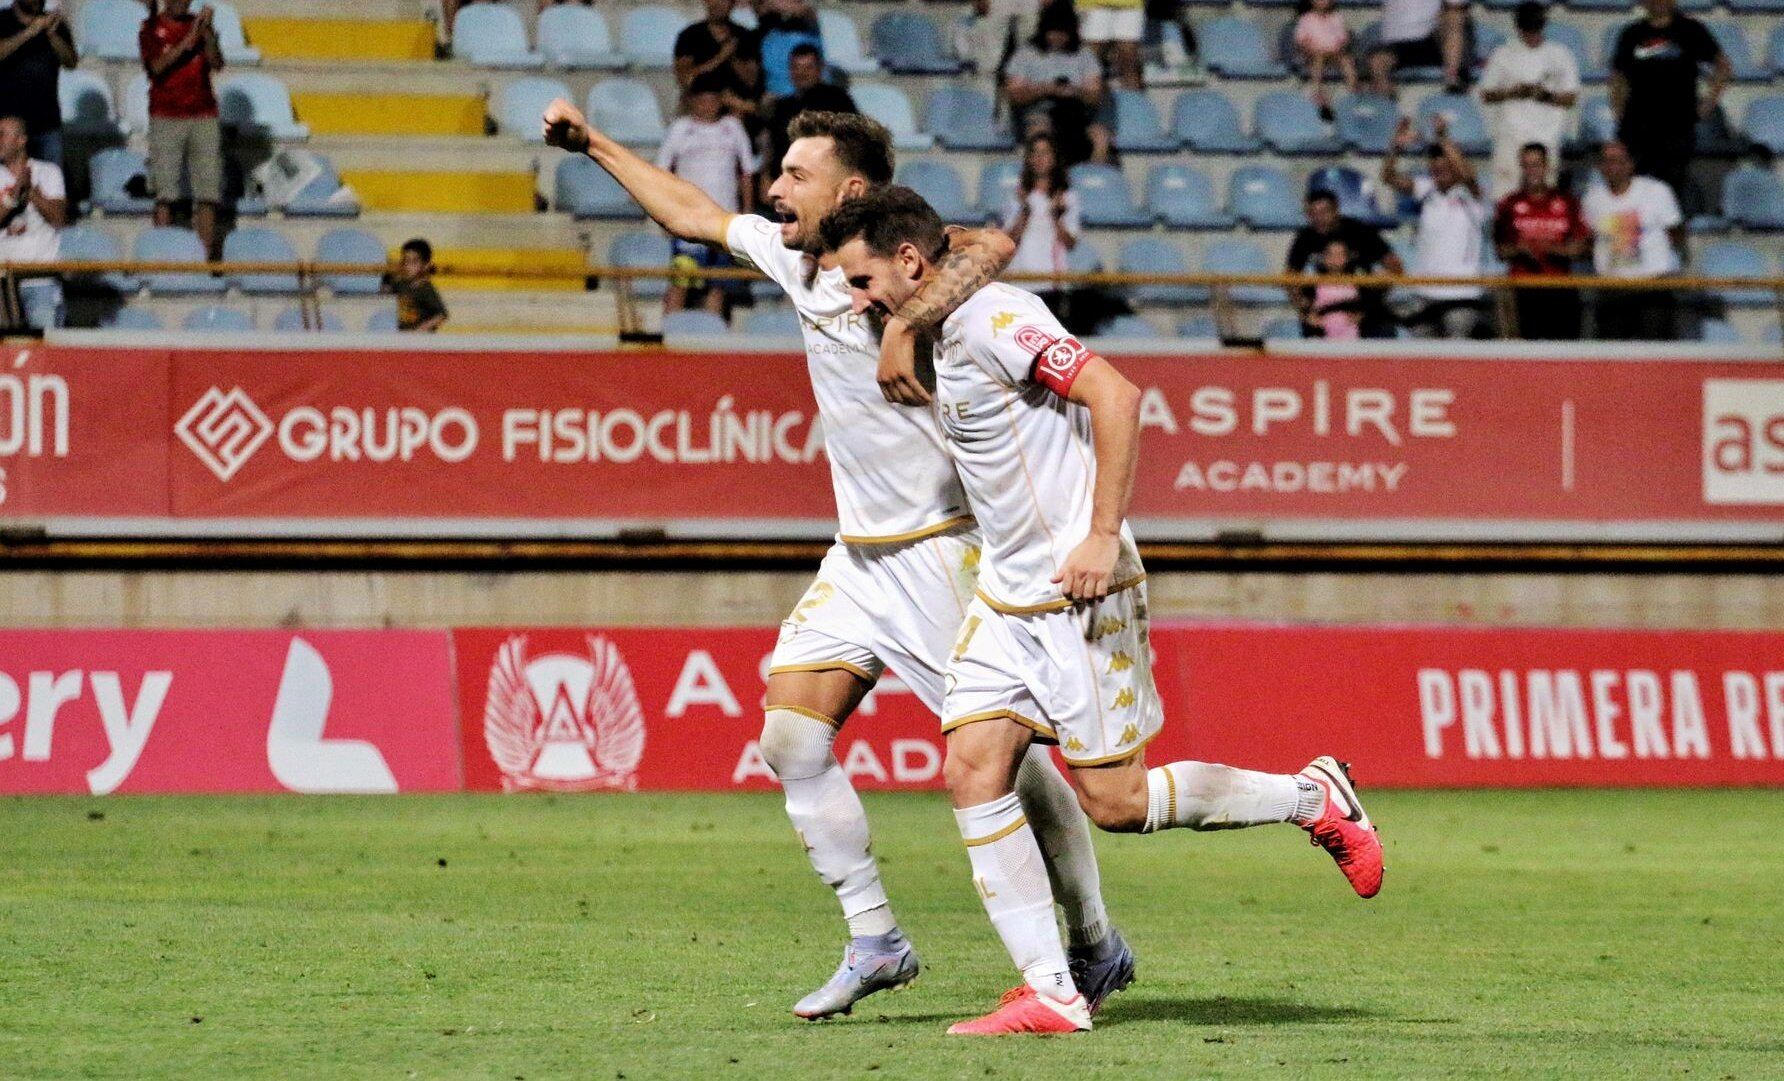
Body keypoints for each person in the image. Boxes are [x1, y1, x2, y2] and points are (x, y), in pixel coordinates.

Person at [540, 100, 1138, 1022]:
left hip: (947, 555)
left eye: (796, 173)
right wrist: (597, 146)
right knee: (788, 735)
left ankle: (1092, 937)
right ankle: (876, 937)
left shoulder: (908, 266)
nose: (775, 187)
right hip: (857, 558)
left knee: (1010, 765)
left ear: (851, 190)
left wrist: (906, 325)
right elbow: (692, 214)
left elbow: (994, 244)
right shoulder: (798, 261)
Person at [818, 185, 1384, 1036]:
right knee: (973, 764)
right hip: (1007, 595)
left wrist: (1100, 534)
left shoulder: (996, 321)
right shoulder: (941, 316)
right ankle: (1049, 988)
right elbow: (976, 243)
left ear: (907, 262)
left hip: (1079, 589)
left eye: (863, 282)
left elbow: (1117, 396)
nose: (857, 301)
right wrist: (901, 321)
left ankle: (1311, 795)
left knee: (1116, 804)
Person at [1608, 0, 1730, 206]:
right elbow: (1618, 77)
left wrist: (1709, 103)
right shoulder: (1631, 33)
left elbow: (1723, 66)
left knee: (1671, 193)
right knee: (1636, 191)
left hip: (1677, 128)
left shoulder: (1691, 30)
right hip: (1637, 128)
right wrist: (1618, 110)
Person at [657, 74, 758, 317]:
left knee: (718, 285)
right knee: (681, 279)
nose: (707, 105)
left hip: (724, 221)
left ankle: (712, 342)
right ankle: (667, 337)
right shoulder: (680, 129)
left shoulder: (732, 128)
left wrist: (747, 212)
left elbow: (746, 173)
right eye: (702, 100)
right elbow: (661, 173)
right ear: (692, 101)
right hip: (689, 221)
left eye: (712, 100)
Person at [1382, 115, 1488, 338]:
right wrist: (1395, 146)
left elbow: (1467, 173)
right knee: (1424, 361)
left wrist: (1442, 138)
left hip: (1462, 294)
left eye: (1445, 170)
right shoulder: (1427, 189)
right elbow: (1388, 176)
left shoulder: (1471, 195)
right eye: (1435, 171)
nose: (1439, 175)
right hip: (1425, 292)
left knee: (1456, 359)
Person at [139, 0, 225, 260]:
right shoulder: (150, 28)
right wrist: (186, 43)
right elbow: (155, 67)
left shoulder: (199, 26)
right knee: (165, 194)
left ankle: (205, 260)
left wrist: (208, 34)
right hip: (166, 116)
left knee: (207, 193)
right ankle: (161, 256)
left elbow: (217, 63)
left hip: (203, 114)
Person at [1581, 139, 1681, 340]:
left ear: (1630, 164)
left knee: (1656, 354)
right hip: (1613, 289)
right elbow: (1590, 238)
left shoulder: (1656, 191)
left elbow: (1675, 232)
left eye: (1618, 160)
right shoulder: (1592, 198)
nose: (1612, 167)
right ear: (1600, 166)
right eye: (1606, 161)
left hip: (1652, 286)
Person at [1477, 2, 1579, 199]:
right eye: (1527, 28)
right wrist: (1513, 92)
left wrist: (1545, 95)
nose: (1532, 34)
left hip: (1547, 135)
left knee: (1544, 195)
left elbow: (1570, 97)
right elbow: (1486, 93)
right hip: (1510, 135)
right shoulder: (1503, 54)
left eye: (1536, 27)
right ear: (1518, 28)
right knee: (1506, 194)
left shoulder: (1560, 54)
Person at [1493, 142, 1588, 340]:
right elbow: (1501, 250)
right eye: (1526, 165)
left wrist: (1550, 249)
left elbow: (1581, 248)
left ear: (1546, 167)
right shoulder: (1509, 203)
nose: (1531, 171)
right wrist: (1519, 249)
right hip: (1523, 290)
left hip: (1560, 288)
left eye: (1536, 165)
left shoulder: (1567, 201)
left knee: (1562, 354)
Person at [1002, 5, 1110, 167]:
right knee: (1041, 134)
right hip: (1038, 113)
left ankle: (1090, 182)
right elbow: (1015, 94)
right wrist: (1044, 90)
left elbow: (1095, 96)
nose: (1057, 37)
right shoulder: (1025, 54)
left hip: (1077, 115)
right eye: (1052, 32)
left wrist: (1074, 91)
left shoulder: (1084, 55)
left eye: (1062, 33)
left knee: (1100, 137)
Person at [1285, 189, 1402, 338]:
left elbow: (1395, 267)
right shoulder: (1304, 237)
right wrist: (1306, 310)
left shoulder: (1360, 231)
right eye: (1312, 213)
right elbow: (1290, 277)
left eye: (1324, 212)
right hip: (1323, 311)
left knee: (1382, 330)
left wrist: (1368, 307)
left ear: (1336, 210)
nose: (1318, 218)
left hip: (1364, 308)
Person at [0, 115, 66, 332]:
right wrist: (12, 199)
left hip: (40, 281)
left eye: (2, 135)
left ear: (21, 140)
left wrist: (31, 194)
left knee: (44, 354)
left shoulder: (48, 172)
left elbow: (59, 218)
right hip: (4, 282)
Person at [761, 43, 857, 188]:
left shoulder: (838, 101)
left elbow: (850, 142)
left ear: (820, 69)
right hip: (787, 185)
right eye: (796, 68)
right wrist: (766, 175)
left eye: (808, 68)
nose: (802, 73)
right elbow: (773, 145)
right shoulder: (783, 106)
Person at [1002, 134, 1080, 311]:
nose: (1040, 158)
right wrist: (1024, 211)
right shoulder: (1017, 197)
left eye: (1045, 153)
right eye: (1035, 153)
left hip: (1051, 282)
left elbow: (1070, 242)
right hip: (1021, 280)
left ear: (1054, 158)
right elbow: (1009, 241)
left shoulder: (1067, 197)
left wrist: (1056, 215)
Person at [0, 0, 77, 166]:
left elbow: (71, 62)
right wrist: (30, 32)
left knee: (50, 182)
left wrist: (52, 35)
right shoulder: (3, 20)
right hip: (7, 124)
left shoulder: (54, 23)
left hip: (46, 124)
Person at [673, 0, 763, 131]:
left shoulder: (744, 35)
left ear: (732, 4)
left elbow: (751, 81)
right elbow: (684, 78)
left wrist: (732, 56)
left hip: (736, 106)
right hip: (701, 103)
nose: (718, 4)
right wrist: (720, 57)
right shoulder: (690, 35)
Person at [1370, 0, 1468, 96]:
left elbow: (1456, 6)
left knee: (1454, 18)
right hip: (1396, 44)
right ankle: (1386, 98)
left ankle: (1453, 78)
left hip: (1430, 38)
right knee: (1377, 62)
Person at [1293, 0, 1357, 124]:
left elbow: (1343, 39)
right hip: (1313, 52)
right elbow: (1301, 40)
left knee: (1346, 60)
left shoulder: (1336, 18)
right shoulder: (1306, 19)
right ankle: (1316, 91)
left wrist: (1340, 46)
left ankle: (1352, 92)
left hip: (1333, 52)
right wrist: (1310, 49)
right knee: (1318, 58)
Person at [753, 0, 823, 100]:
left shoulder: (813, 30)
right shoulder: (765, 38)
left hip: (813, 100)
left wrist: (786, 6)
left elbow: (808, 12)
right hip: (778, 102)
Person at [1309, 237, 1367, 340]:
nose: (1335, 258)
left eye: (1340, 254)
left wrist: (1359, 317)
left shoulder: (1356, 282)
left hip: (1349, 331)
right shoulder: (1314, 282)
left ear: (1347, 258)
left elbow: (1362, 308)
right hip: (1323, 332)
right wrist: (1312, 319)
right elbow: (1309, 308)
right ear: (1324, 257)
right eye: (1330, 254)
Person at [1077, 0, 1143, 89]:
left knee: (1129, 59)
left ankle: (1133, 100)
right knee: (1091, 59)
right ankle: (1087, 100)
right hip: (1092, 4)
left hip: (1130, 5)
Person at [392, 238, 448, 333]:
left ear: (425, 265)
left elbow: (441, 315)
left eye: (414, 262)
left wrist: (422, 329)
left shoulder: (426, 289)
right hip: (403, 336)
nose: (408, 266)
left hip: (421, 340)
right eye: (406, 261)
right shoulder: (401, 284)